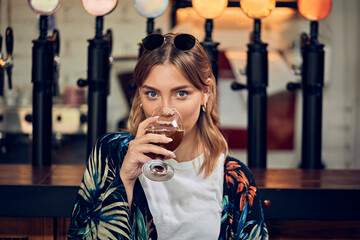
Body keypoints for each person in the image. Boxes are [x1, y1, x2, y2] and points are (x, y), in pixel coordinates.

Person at [68, 33, 268, 240]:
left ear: (205, 92)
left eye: (181, 93)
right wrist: (125, 180)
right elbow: (80, 235)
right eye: (152, 94)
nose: (165, 110)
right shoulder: (111, 153)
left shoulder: (236, 179)